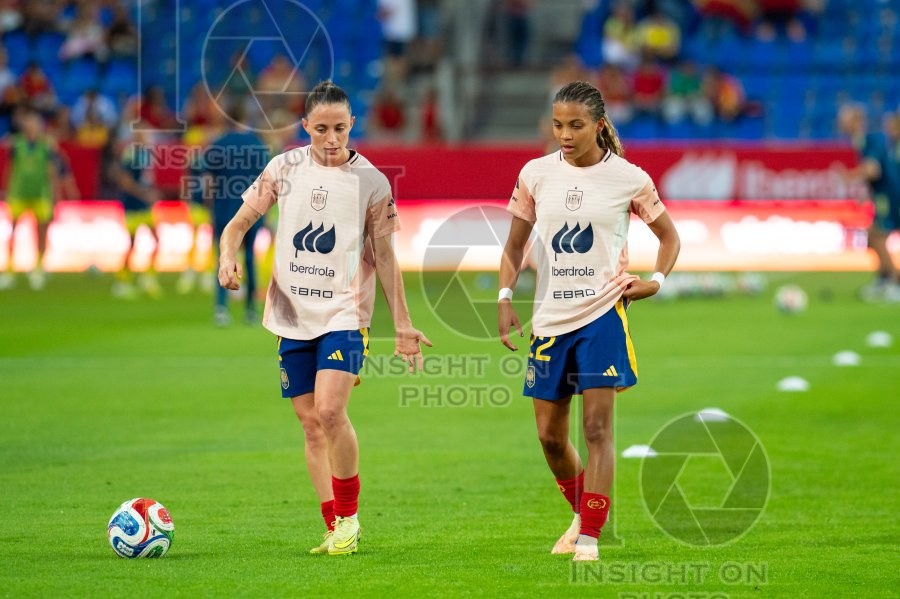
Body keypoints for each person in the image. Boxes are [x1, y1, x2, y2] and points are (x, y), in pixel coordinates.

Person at [218, 81, 432, 556]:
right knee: (310, 423)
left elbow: (386, 257)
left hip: (344, 314)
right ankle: (333, 523)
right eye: (320, 129)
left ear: (352, 124)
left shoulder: (372, 182)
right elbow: (238, 224)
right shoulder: (283, 168)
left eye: (339, 128)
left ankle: (350, 519)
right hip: (291, 315)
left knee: (331, 412)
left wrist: (402, 324)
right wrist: (227, 256)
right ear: (305, 127)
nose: (331, 138)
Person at [497, 80, 680, 562]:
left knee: (596, 429)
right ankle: (584, 513)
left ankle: (591, 537)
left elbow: (669, 237)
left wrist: (656, 281)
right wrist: (504, 295)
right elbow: (514, 245)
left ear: (598, 125)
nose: (565, 134)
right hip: (549, 319)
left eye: (575, 125)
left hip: (603, 315)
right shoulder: (535, 174)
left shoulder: (629, 178)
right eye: (558, 124)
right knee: (550, 438)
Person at [202, 100, 269, 325]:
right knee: (249, 257)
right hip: (252, 209)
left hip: (224, 208)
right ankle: (251, 310)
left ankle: (221, 308)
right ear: (245, 118)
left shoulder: (218, 144)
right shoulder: (256, 144)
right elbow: (266, 182)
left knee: (224, 257)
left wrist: (210, 206)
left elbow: (208, 181)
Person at [837, 103, 900, 301]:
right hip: (884, 194)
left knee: (877, 236)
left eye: (844, 119)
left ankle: (894, 282)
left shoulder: (870, 139)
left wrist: (848, 176)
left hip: (889, 195)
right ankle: (885, 279)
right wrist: (867, 195)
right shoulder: (863, 141)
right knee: (873, 236)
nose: (840, 123)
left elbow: (873, 170)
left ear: (856, 121)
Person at [0, 108, 58, 290]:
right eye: (29, 123)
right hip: (18, 193)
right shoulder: (16, 144)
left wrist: (55, 194)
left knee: (41, 231)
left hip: (40, 193)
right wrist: (5, 189)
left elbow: (51, 170)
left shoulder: (46, 145)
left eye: (34, 123)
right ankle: (9, 269)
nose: (31, 126)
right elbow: (10, 168)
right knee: (13, 230)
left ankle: (39, 268)